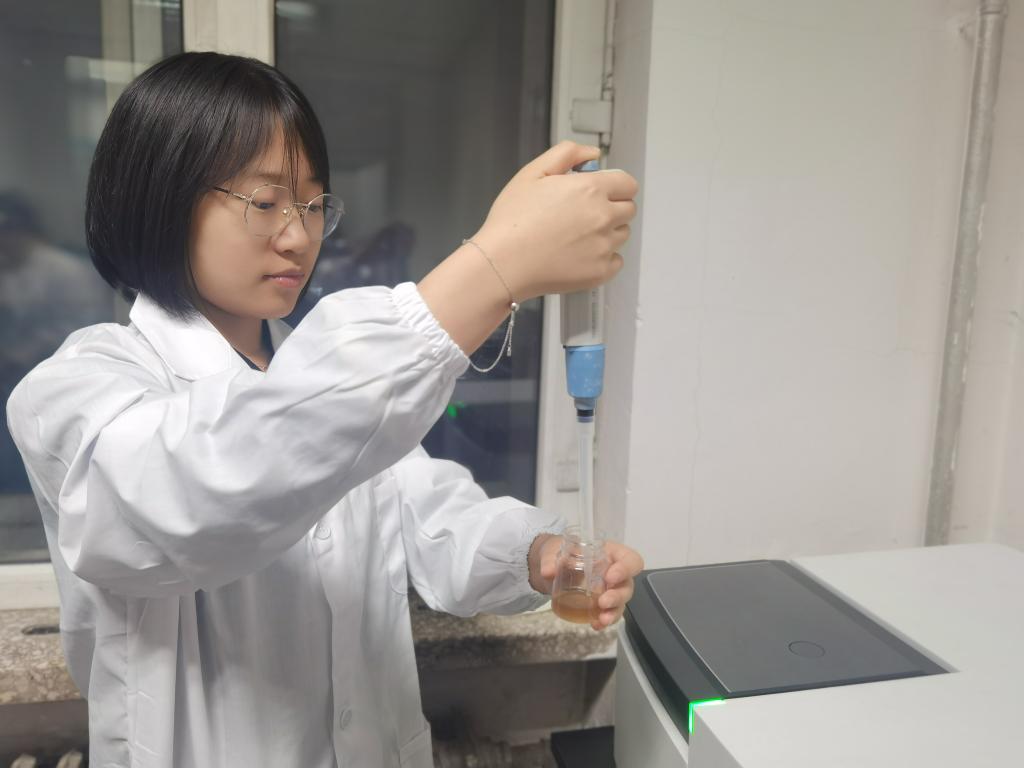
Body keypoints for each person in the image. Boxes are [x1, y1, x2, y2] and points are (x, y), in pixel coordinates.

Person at [5, 52, 642, 768]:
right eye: (266, 202)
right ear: (161, 198)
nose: (298, 236)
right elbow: (202, 485)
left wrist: (539, 556)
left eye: (312, 206)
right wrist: (491, 270)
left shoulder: (311, 374)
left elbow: (428, 515)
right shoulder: (79, 390)